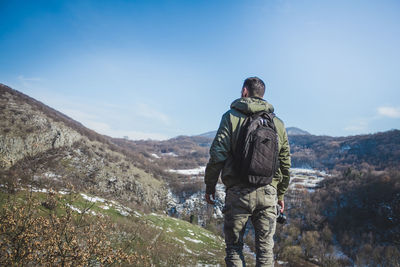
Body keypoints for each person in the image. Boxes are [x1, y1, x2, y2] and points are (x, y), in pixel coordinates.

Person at [204, 77, 291, 267]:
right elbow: (285, 163)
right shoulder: (278, 124)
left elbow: (217, 154)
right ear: (262, 95)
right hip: (268, 193)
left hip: (237, 194)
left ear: (244, 91)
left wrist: (209, 186)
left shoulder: (231, 117)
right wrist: (280, 193)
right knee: (265, 251)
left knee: (234, 248)